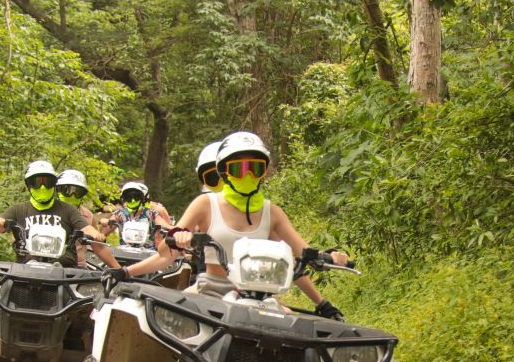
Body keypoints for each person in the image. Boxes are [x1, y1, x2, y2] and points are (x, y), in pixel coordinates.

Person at [103, 132, 347, 320]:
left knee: (296, 342)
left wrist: (330, 262)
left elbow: (301, 255)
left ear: (264, 173)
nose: (247, 175)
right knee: (161, 328)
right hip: (210, 292)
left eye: (255, 167)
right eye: (238, 169)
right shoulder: (205, 204)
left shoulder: (272, 212)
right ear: (225, 172)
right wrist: (126, 272)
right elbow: (166, 255)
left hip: (260, 297)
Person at [0, 160, 119, 269]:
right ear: (29, 185)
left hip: (64, 270)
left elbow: (86, 228)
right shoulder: (18, 210)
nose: (42, 187)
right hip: (25, 268)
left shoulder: (68, 210)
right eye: (37, 183)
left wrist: (96, 235)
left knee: (89, 295)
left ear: (54, 185)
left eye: (47, 182)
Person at [99, 181, 173, 247]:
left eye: (136, 197)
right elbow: (103, 234)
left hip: (148, 255)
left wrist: (176, 229)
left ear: (142, 198)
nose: (133, 200)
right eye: (128, 197)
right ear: (124, 199)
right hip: (124, 254)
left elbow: (165, 225)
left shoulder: (152, 213)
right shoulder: (119, 214)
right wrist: (104, 224)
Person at [56, 169, 96, 266]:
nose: (72, 195)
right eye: (67, 190)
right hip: (51, 261)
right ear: (58, 190)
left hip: (79, 266)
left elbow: (96, 243)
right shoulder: (48, 211)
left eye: (77, 192)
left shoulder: (88, 216)